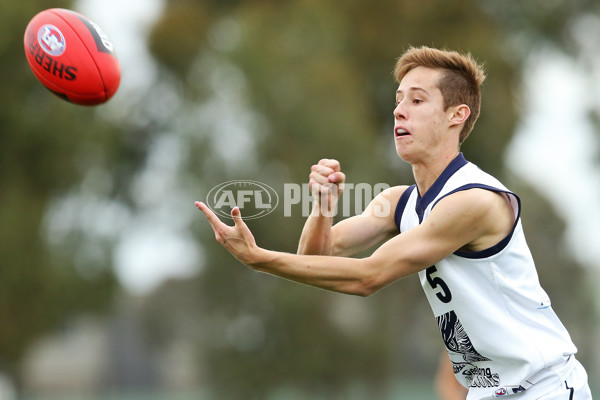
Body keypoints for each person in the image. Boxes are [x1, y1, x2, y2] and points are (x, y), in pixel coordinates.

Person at [195, 46, 592, 399]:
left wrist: (258, 258)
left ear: (457, 115)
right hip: (489, 392)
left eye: (417, 100)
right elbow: (316, 258)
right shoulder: (397, 203)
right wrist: (322, 207)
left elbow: (366, 277)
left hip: (546, 387)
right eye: (399, 99)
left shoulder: (473, 201)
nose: (399, 110)